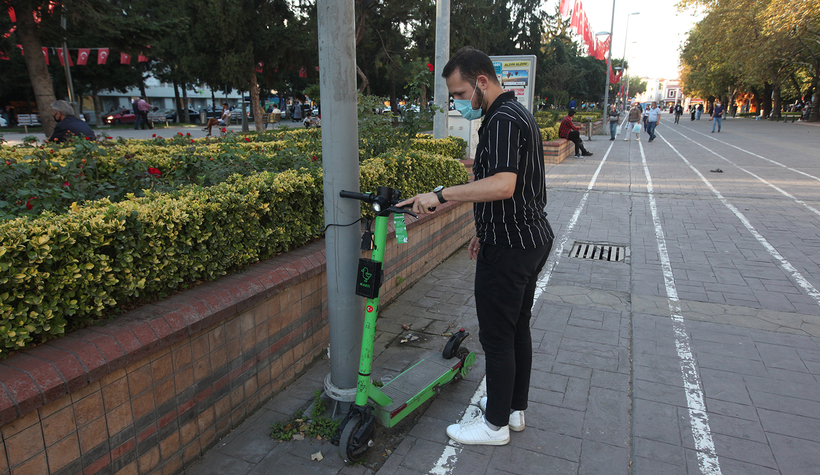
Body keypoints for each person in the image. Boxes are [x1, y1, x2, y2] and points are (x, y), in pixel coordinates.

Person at [398, 46, 554, 447]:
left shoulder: (502, 119)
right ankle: (513, 409)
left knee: (498, 337)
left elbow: (504, 184)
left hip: (511, 248)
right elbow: (519, 190)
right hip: (526, 237)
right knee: (517, 330)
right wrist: (483, 228)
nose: (459, 103)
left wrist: (442, 193)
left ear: (482, 82)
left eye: (462, 94)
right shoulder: (517, 114)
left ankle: (494, 425)